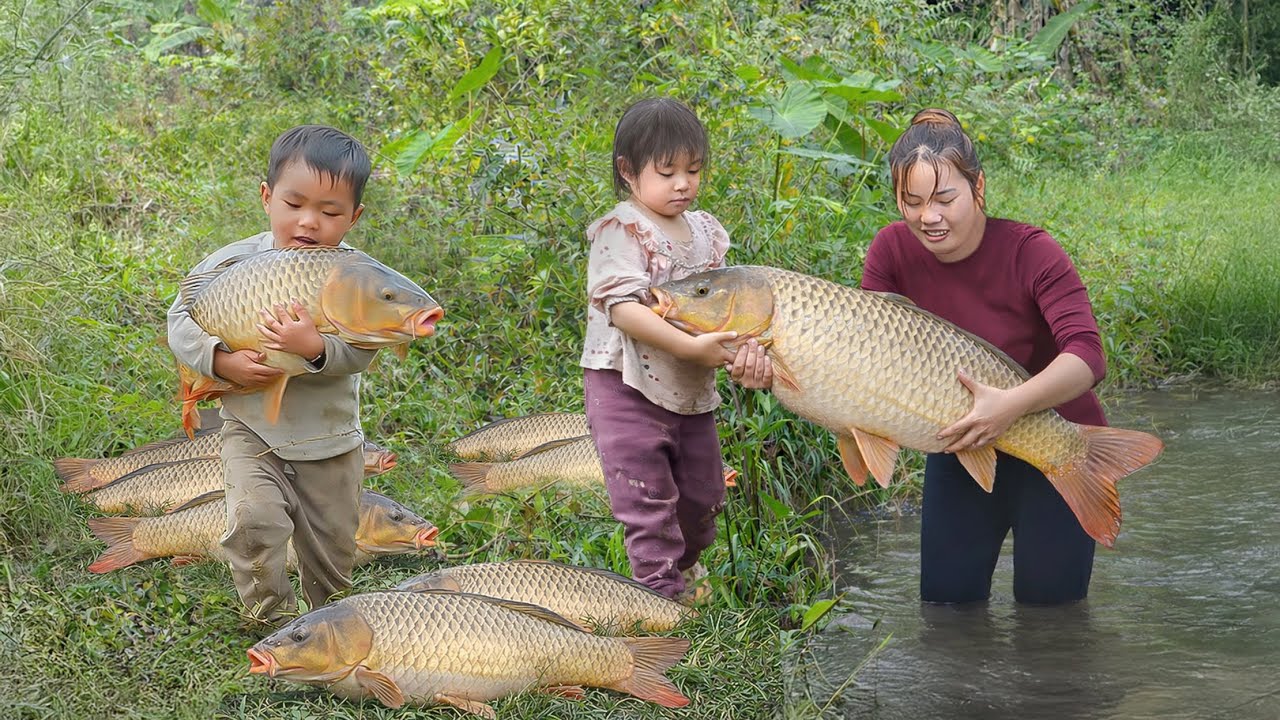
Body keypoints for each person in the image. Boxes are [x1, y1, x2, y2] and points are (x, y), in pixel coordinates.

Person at [861, 108, 1109, 605]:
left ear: (978, 188)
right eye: (911, 202)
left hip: (1059, 448)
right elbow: (866, 356)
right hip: (962, 447)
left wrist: (1010, 404)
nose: (928, 218)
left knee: (1052, 625)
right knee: (946, 613)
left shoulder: (1032, 251)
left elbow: (1087, 355)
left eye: (944, 199)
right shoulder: (890, 251)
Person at [167, 125, 375, 624]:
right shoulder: (234, 264)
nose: (308, 223)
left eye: (329, 213)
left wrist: (317, 347)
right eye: (294, 204)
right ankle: (272, 618)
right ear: (266, 197)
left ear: (354, 217)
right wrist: (221, 361)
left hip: (330, 439)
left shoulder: (358, 276)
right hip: (249, 429)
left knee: (332, 543)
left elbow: (364, 347)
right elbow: (181, 320)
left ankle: (328, 622)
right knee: (252, 523)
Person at [580, 97, 771, 604]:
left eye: (693, 170)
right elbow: (623, 309)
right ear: (628, 171)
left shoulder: (705, 232)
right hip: (625, 388)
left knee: (705, 500)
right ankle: (659, 603)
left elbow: (730, 304)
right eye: (667, 172)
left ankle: (685, 568)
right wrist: (691, 347)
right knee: (648, 506)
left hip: (690, 394)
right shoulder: (623, 229)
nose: (682, 183)